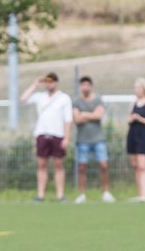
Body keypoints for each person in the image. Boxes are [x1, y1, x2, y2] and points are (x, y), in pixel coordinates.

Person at [21, 73, 73, 202]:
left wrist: (67, 137)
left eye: (51, 81)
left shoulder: (64, 98)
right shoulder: (40, 97)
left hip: (58, 135)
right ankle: (40, 194)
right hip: (42, 134)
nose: (49, 84)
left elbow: (68, 119)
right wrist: (35, 84)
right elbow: (23, 99)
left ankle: (60, 195)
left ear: (56, 82)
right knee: (41, 164)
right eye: (47, 81)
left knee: (58, 165)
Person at [72, 76, 114, 204]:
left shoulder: (98, 100)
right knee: (82, 167)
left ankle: (106, 192)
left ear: (91, 86)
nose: (85, 87)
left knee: (104, 166)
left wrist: (84, 114)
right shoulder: (76, 102)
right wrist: (91, 115)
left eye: (87, 85)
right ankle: (82, 194)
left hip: (98, 139)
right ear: (80, 87)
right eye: (82, 85)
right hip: (82, 140)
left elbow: (99, 115)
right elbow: (76, 119)